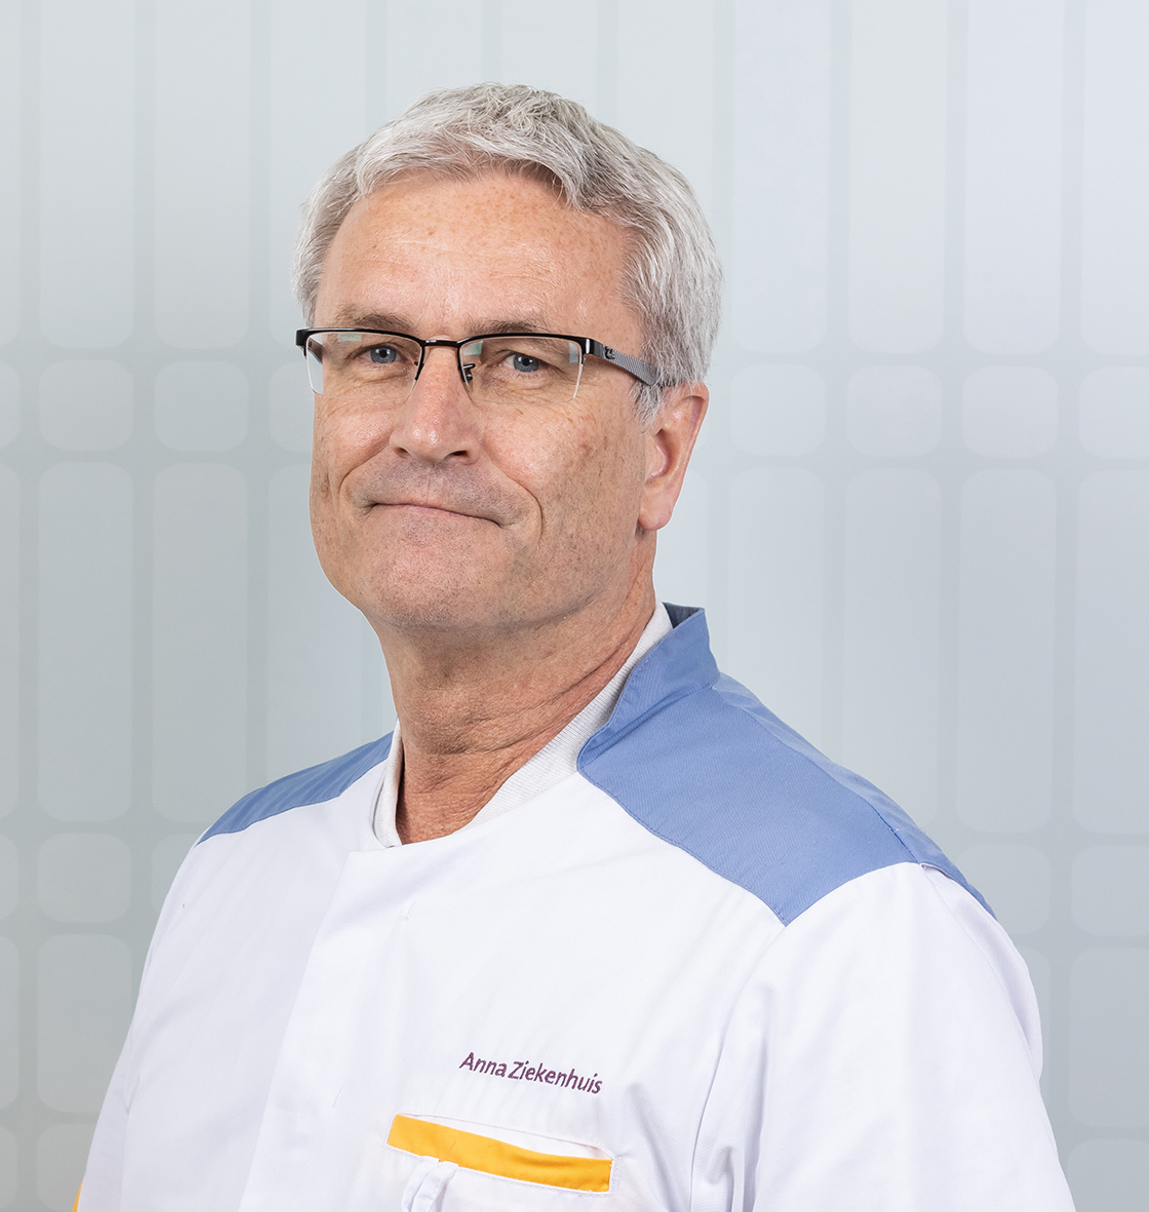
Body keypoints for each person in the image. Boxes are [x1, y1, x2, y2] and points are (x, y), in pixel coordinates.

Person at [78, 83, 1074, 1211]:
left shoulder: (846, 933)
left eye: (521, 361)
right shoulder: (236, 868)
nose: (426, 429)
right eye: (379, 351)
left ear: (662, 452)